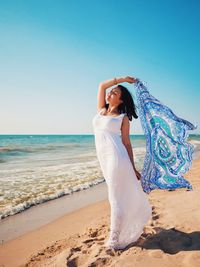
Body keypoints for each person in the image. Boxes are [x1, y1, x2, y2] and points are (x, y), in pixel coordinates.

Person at [92, 76, 152, 250]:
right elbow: (101, 84)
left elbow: (126, 143)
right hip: (104, 158)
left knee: (114, 197)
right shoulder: (101, 110)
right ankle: (117, 232)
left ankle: (113, 239)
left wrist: (133, 168)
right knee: (116, 196)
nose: (110, 92)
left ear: (121, 99)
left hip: (116, 157)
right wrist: (122, 80)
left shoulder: (123, 118)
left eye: (115, 92)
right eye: (111, 91)